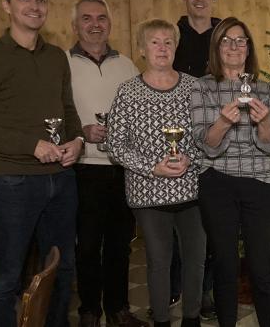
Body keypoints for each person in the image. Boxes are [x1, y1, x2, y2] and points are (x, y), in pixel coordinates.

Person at [0, 0, 84, 327]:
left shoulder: (56, 57)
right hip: (14, 182)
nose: (34, 6)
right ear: (7, 5)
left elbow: (68, 109)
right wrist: (31, 146)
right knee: (7, 277)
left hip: (61, 178)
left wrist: (77, 141)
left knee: (62, 270)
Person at [107, 19, 206, 327]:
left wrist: (191, 159)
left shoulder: (195, 87)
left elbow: (209, 138)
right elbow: (115, 145)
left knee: (196, 260)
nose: (162, 48)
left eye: (168, 42)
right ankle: (161, 320)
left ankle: (192, 319)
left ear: (176, 47)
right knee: (159, 262)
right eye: (154, 42)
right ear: (141, 49)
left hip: (192, 190)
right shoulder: (127, 92)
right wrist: (152, 167)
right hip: (148, 193)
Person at [190, 17, 270, 327]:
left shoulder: (265, 90)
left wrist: (264, 121)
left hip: (259, 182)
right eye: (226, 40)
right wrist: (223, 122)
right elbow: (208, 145)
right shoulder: (202, 87)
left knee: (261, 266)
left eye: (241, 40)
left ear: (248, 48)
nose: (234, 46)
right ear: (216, 47)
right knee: (225, 264)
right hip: (218, 182)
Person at [67, 0, 145, 327]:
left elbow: (139, 112)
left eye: (101, 18)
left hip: (121, 168)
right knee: (86, 245)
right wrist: (81, 131)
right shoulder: (63, 63)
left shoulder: (126, 65)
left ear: (110, 24)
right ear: (75, 25)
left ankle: (118, 308)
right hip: (82, 166)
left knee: (120, 244)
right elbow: (54, 114)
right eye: (87, 18)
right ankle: (89, 310)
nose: (95, 24)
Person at [172, 0, 221, 319]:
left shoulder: (224, 36)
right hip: (178, 136)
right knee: (180, 221)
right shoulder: (173, 35)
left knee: (212, 222)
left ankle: (205, 292)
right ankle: (176, 288)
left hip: (216, 136)